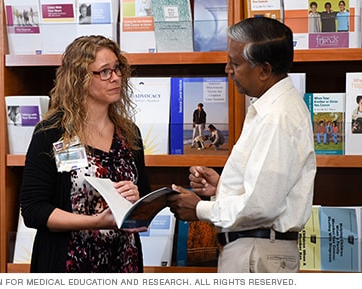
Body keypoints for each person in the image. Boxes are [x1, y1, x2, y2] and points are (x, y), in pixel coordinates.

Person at [167, 17, 316, 273]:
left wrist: (200, 208)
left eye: (235, 63)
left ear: (264, 70)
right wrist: (222, 187)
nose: (228, 69)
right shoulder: (270, 107)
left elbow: (261, 206)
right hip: (255, 251)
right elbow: (267, 188)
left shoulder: (276, 117)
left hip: (257, 254)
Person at [20, 35, 151, 273]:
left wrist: (137, 198)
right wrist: (94, 222)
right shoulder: (52, 133)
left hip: (123, 262)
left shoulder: (129, 134)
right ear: (79, 78)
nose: (116, 77)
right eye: (104, 72)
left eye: (117, 68)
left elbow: (144, 199)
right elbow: (33, 210)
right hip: (69, 263)